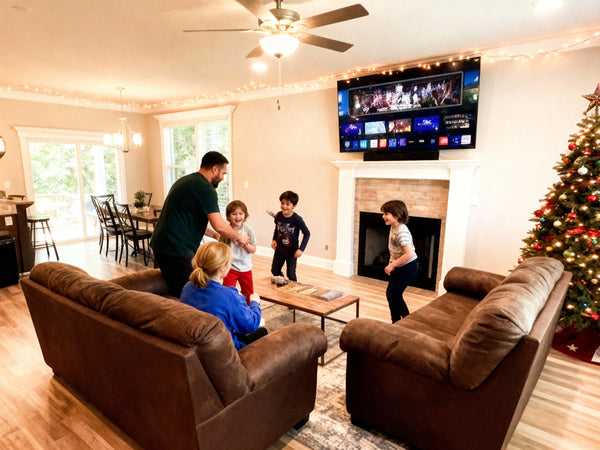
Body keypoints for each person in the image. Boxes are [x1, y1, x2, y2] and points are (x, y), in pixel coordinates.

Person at [150, 151, 250, 297]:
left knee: (176, 289)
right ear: (214, 169)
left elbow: (191, 220)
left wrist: (215, 235)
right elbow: (219, 224)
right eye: (223, 173)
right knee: (194, 291)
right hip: (176, 248)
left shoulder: (186, 181)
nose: (223, 177)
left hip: (161, 244)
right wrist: (239, 236)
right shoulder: (205, 188)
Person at [180, 242, 267, 350]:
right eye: (230, 263)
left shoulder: (188, 287)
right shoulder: (227, 296)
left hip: (197, 346)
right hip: (225, 352)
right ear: (222, 268)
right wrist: (255, 303)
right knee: (262, 331)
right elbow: (251, 324)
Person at [381, 200, 418, 323]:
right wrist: (391, 263)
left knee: (393, 294)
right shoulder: (394, 227)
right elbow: (395, 250)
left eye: (386, 214)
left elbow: (409, 253)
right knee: (393, 294)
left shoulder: (401, 231)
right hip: (400, 266)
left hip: (408, 267)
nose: (383, 216)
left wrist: (392, 265)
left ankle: (400, 322)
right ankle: (401, 321)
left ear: (396, 215)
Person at [219, 200, 256, 305]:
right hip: (230, 267)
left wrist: (245, 244)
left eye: (241, 213)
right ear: (229, 216)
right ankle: (229, 308)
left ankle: (249, 311)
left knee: (248, 293)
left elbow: (253, 250)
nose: (238, 216)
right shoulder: (226, 231)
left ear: (245, 215)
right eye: (234, 213)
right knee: (227, 292)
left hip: (246, 267)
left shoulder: (248, 230)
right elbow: (220, 249)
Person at [271, 190, 310, 282]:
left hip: (292, 252)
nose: (284, 206)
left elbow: (307, 233)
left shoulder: (297, 219)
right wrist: (274, 240)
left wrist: (301, 249)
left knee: (291, 274)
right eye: (282, 203)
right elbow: (277, 229)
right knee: (275, 270)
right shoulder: (278, 216)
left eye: (288, 204)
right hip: (279, 250)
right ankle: (283, 283)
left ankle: (294, 291)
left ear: (294, 206)